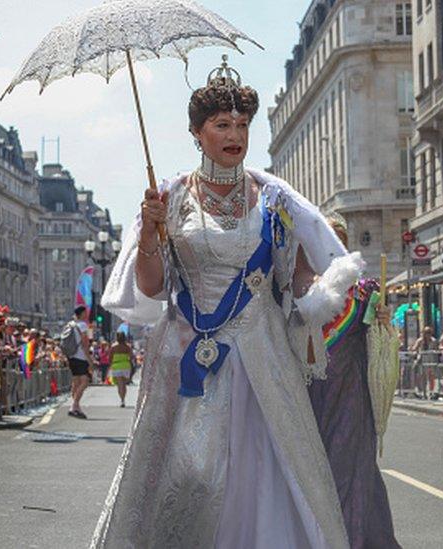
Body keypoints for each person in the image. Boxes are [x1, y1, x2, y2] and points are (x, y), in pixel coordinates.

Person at [92, 58, 361, 548]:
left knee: (268, 474)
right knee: (190, 474)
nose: (234, 134)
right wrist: (151, 231)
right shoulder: (169, 197)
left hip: (263, 354)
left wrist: (319, 298)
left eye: (242, 124)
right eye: (222, 125)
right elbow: (151, 289)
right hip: (185, 352)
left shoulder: (276, 198)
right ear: (197, 132)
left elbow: (298, 273)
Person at [306, 217, 401, 549]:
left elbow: (374, 337)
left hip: (351, 396)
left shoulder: (364, 290)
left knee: (352, 472)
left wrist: (383, 323)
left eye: (338, 239)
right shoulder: (301, 288)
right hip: (310, 395)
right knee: (318, 476)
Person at [65, 306, 94, 419]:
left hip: (71, 356)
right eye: (85, 312)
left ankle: (76, 407)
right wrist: (90, 360)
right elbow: (85, 343)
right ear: (81, 313)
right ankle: (74, 405)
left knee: (76, 382)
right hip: (81, 357)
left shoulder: (70, 324)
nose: (86, 314)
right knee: (85, 381)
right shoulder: (82, 325)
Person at [109, 332, 133, 407]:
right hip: (125, 365)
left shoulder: (113, 346)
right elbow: (131, 357)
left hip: (116, 365)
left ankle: (122, 400)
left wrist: (110, 365)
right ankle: (123, 398)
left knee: (120, 384)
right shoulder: (128, 346)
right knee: (124, 384)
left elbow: (110, 357)